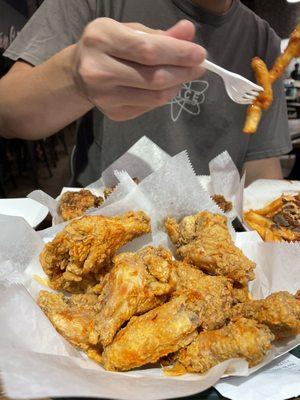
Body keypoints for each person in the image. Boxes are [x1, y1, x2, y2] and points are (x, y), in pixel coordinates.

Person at [0, 0, 292, 187]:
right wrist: (75, 77)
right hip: (102, 223)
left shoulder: (262, 40)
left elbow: (261, 171)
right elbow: (8, 113)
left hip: (215, 232)